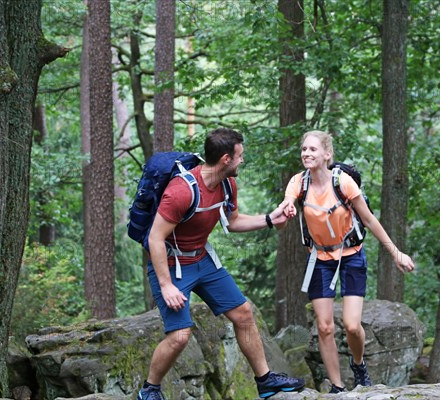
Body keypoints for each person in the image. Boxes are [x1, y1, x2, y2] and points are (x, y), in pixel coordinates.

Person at [138, 128, 305, 400]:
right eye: (240, 156)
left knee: (243, 314)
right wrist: (166, 286)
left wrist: (269, 219)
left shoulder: (227, 184)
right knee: (179, 337)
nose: (242, 161)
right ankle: (149, 390)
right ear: (226, 158)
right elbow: (155, 238)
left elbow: (234, 221)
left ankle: (265, 381)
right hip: (171, 264)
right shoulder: (181, 191)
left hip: (202, 259)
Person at [281, 130, 415, 394]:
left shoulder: (343, 183)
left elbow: (369, 220)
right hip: (319, 259)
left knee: (353, 326)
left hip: (351, 255)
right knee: (324, 326)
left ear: (327, 155)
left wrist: (396, 252)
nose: (306, 153)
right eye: (304, 149)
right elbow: (287, 201)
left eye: (313, 150)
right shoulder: (298, 182)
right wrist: (286, 208)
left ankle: (358, 364)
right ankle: (338, 388)